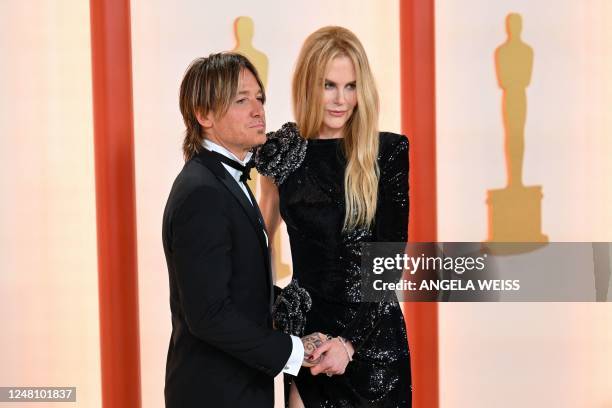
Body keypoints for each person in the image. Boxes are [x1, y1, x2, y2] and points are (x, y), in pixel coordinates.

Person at [255, 26, 412, 407]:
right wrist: (277, 312)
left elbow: (388, 266)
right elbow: (257, 246)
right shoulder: (283, 156)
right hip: (308, 341)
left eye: (351, 86)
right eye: (329, 85)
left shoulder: (386, 152)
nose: (341, 100)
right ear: (310, 84)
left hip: (371, 344)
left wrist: (349, 343)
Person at [162, 53, 318, 408]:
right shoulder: (202, 192)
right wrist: (294, 351)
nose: (258, 110)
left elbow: (237, 286)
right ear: (204, 115)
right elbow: (209, 315)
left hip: (240, 389)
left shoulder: (226, 181)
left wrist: (293, 307)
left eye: (259, 98)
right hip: (215, 394)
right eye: (241, 100)